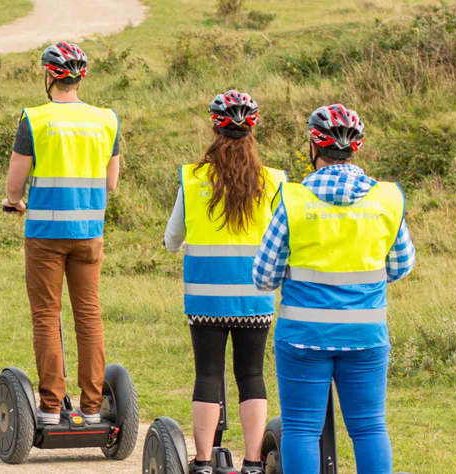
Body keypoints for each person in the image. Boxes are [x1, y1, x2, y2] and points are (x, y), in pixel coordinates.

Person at [252, 104, 414, 474]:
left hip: (303, 337)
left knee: (301, 429)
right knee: (369, 427)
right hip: (366, 334)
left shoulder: (293, 200)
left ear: (314, 147)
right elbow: (401, 265)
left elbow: (263, 276)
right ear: (356, 149)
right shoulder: (387, 199)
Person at [163, 90, 288, 474]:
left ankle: (202, 462)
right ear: (252, 130)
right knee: (251, 375)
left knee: (208, 375)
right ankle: (252, 462)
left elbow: (172, 240)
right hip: (255, 298)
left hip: (206, 299)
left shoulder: (192, 178)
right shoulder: (274, 181)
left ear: (215, 129)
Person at [2, 42, 122, 425]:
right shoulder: (106, 120)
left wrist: (14, 202)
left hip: (45, 234)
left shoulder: (35, 120)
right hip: (89, 233)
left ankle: (51, 408)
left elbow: (15, 185)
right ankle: (92, 409)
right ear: (80, 78)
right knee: (89, 316)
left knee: (46, 315)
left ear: (50, 76)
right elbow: (111, 183)